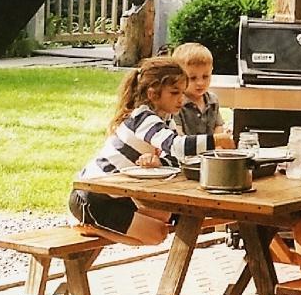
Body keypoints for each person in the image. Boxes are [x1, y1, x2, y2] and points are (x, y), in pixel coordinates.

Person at [70, 56, 228, 245]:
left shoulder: (165, 118)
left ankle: (94, 226)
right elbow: (177, 146)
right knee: (157, 234)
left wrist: (160, 161)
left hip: (116, 195)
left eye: (182, 92)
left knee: (166, 215)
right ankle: (91, 227)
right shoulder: (143, 117)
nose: (181, 99)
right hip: (91, 196)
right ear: (153, 94)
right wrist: (218, 140)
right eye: (174, 93)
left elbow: (175, 158)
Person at [170, 41, 227, 141]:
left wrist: (218, 143)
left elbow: (218, 127)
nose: (200, 83)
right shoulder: (176, 103)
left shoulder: (213, 100)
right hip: (186, 152)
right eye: (192, 78)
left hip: (210, 153)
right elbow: (178, 134)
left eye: (205, 76)